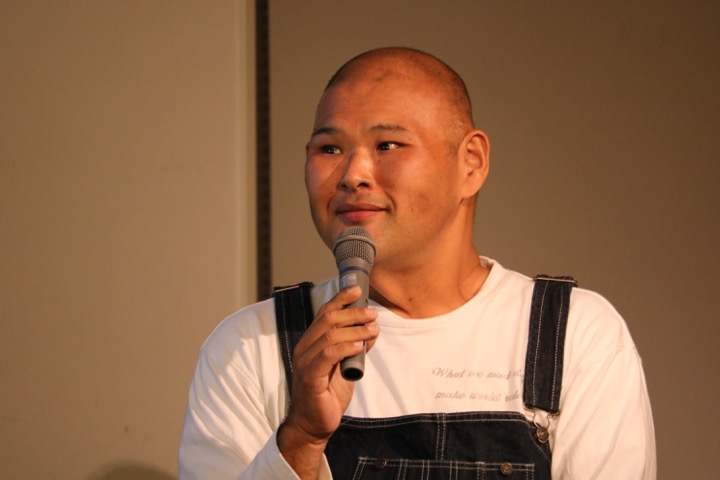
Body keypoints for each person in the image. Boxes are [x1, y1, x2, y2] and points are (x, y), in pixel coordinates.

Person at [179, 47, 656, 479]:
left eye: (387, 145)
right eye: (330, 149)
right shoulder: (250, 347)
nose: (352, 175)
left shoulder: (575, 335)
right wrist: (302, 437)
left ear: (471, 163)